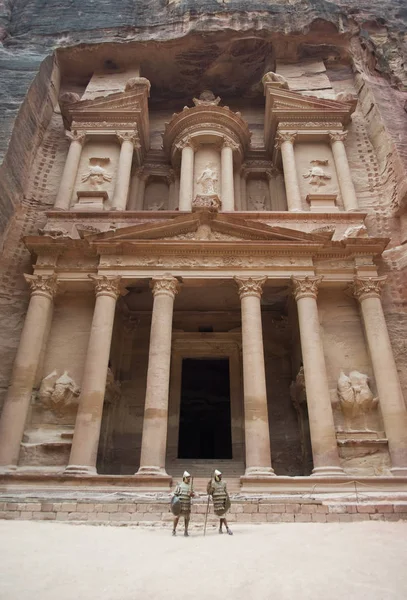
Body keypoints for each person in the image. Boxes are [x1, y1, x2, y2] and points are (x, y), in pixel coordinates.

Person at [207, 469, 233, 535]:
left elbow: (225, 491)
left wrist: (228, 499)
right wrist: (208, 485)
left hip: (223, 501)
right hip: (217, 502)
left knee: (222, 515)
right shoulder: (213, 484)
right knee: (222, 515)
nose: (221, 477)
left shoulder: (224, 483)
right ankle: (227, 528)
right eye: (219, 475)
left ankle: (220, 528)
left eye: (221, 475)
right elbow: (209, 492)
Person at [172, 471, 195, 537]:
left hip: (187, 505)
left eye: (189, 478)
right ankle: (174, 530)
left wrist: (192, 494)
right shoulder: (179, 485)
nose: (189, 479)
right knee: (176, 517)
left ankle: (186, 531)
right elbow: (175, 495)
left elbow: (193, 494)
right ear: (184, 478)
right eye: (187, 478)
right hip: (180, 505)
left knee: (187, 518)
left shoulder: (190, 486)